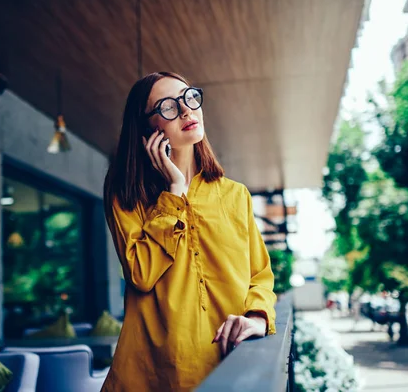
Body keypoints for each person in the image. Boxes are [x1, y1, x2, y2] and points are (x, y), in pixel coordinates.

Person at [102, 72, 277, 391]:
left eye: (189, 98)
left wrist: (258, 318)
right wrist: (174, 192)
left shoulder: (235, 194)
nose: (186, 111)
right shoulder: (126, 193)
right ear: (147, 128)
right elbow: (140, 273)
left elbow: (260, 275)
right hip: (155, 374)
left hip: (231, 365)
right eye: (168, 106)